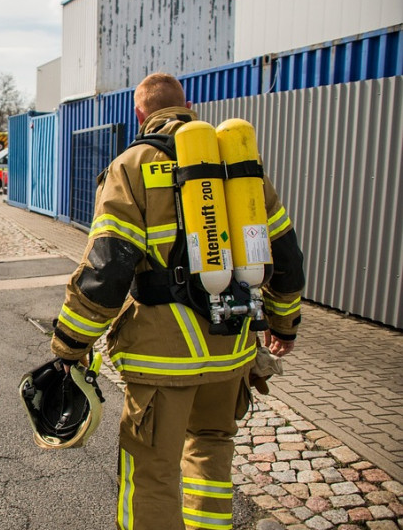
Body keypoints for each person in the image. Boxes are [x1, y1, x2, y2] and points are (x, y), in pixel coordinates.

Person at [49, 72, 304, 530]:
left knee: (152, 471)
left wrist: (70, 344)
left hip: (163, 360)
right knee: (212, 450)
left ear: (139, 114)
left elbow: (107, 269)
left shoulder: (131, 165)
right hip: (231, 349)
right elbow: (284, 254)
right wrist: (283, 325)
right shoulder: (237, 165)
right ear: (188, 107)